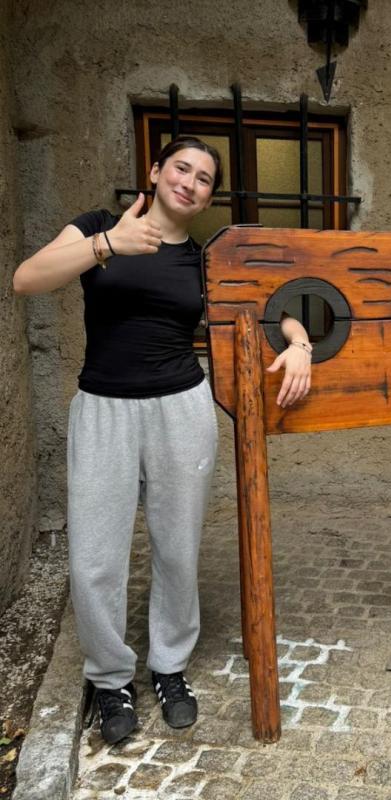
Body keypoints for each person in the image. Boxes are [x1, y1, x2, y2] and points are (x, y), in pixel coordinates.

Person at [13, 136, 312, 743]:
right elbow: (26, 279)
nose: (189, 183)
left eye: (203, 178)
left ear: (208, 196)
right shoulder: (100, 226)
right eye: (181, 168)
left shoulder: (204, 260)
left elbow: (270, 304)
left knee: (177, 549)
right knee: (95, 558)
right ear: (154, 171)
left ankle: (170, 667)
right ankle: (109, 678)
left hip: (181, 408)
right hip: (103, 409)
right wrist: (108, 246)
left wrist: (300, 341)